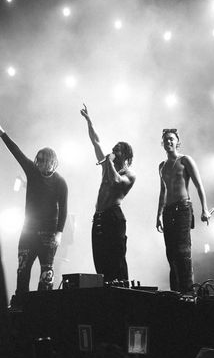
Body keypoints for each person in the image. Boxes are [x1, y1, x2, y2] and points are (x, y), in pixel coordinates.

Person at [0, 124, 68, 307]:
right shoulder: (32, 171)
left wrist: (59, 233)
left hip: (48, 234)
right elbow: (16, 152)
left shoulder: (60, 182)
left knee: (47, 274)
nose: (39, 164)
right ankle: (21, 305)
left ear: (51, 162)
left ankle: (42, 309)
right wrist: (2, 133)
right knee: (23, 271)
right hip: (28, 232)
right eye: (38, 161)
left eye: (43, 161)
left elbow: (64, 208)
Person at [80, 104, 136, 283]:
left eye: (117, 150)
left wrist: (108, 161)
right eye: (113, 149)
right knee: (101, 263)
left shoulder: (129, 174)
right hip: (99, 218)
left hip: (113, 217)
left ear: (125, 156)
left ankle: (123, 297)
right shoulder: (107, 165)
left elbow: (116, 182)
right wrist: (89, 121)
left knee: (116, 262)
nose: (113, 151)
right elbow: (95, 141)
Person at [156, 128, 214, 294]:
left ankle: (188, 293)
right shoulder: (161, 166)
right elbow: (162, 192)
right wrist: (158, 214)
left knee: (183, 252)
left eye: (171, 139)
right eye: (166, 139)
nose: (168, 142)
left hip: (183, 208)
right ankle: (176, 294)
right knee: (171, 254)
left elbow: (199, 184)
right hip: (168, 211)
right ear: (162, 143)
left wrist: (204, 210)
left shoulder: (185, 160)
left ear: (177, 142)